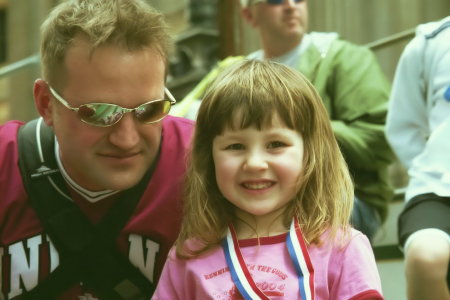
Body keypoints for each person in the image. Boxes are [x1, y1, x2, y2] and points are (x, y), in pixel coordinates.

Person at [0, 0, 194, 299]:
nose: (126, 139)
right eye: (100, 113)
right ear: (46, 104)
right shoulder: (5, 165)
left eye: (149, 110)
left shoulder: (205, 164)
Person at [153, 59, 384, 299]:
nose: (254, 163)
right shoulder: (187, 257)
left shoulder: (342, 249)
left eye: (276, 144)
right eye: (235, 146)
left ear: (310, 153)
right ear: (209, 158)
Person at [171, 0, 394, 241]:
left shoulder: (346, 58)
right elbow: (180, 120)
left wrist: (302, 125)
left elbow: (382, 140)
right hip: (251, 196)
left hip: (348, 199)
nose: (290, 6)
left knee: (274, 212)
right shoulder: (232, 72)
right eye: (275, 0)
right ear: (249, 15)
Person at [385, 16, 450, 300]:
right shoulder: (431, 41)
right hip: (438, 188)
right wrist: (430, 166)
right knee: (425, 257)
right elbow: (401, 126)